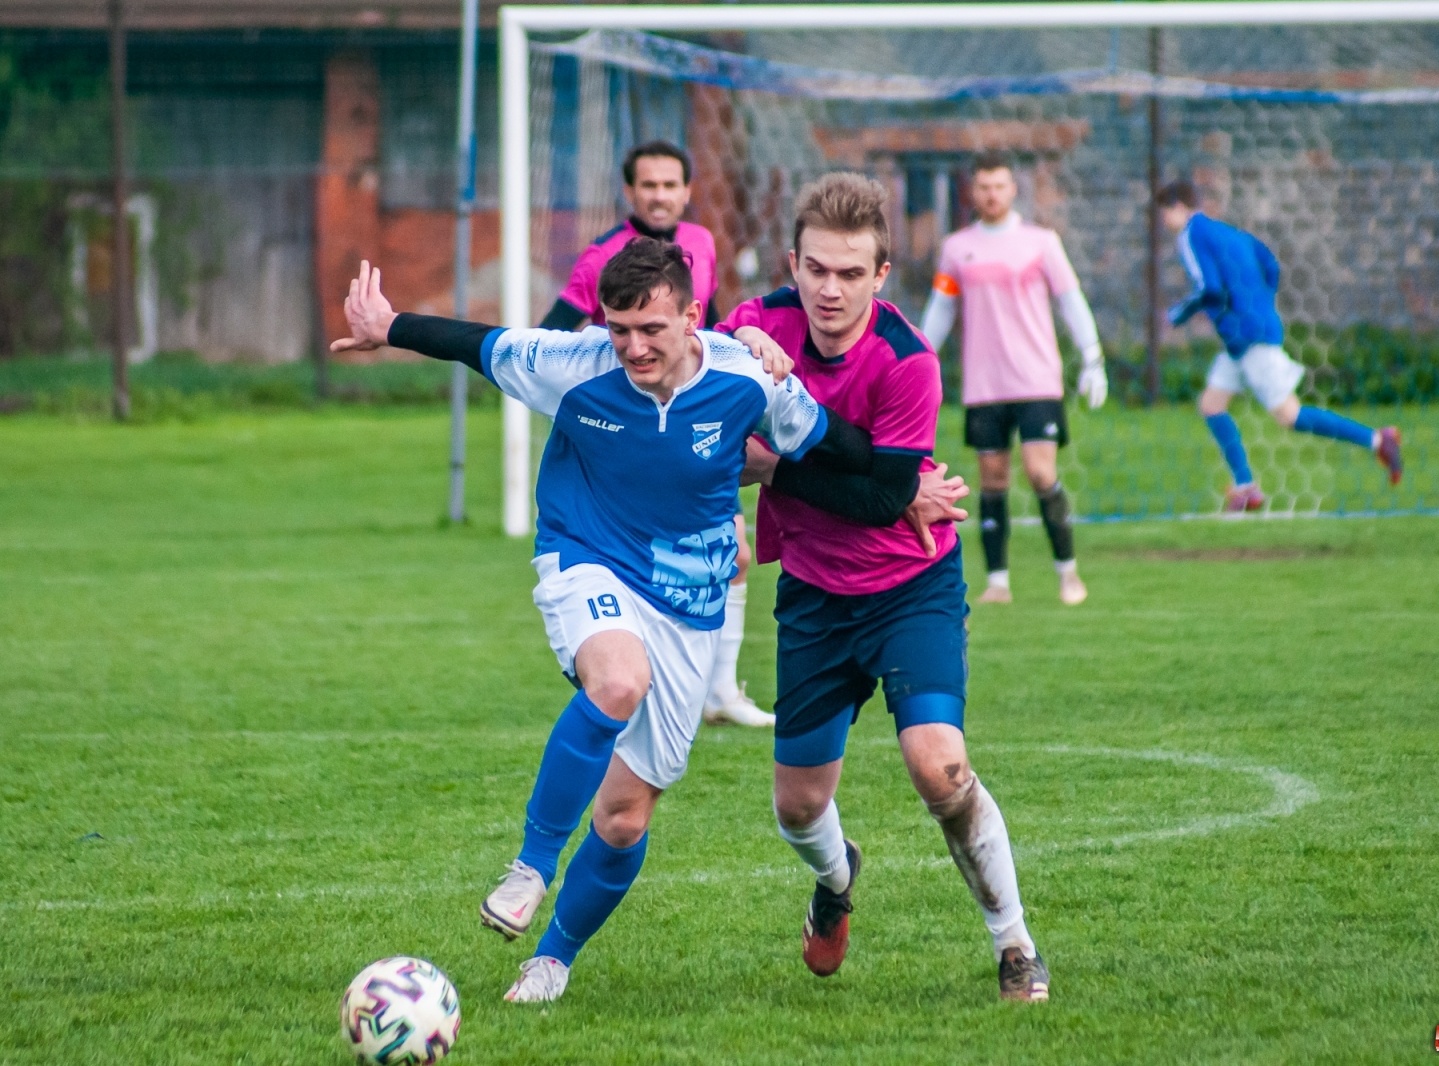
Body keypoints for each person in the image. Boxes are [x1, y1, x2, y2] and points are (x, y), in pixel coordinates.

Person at [331, 240, 963, 1004]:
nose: (632, 347)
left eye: (651, 329)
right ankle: (531, 865)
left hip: (689, 603)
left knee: (625, 818)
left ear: (692, 317)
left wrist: (904, 489)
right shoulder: (575, 364)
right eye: (619, 328)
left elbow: (836, 446)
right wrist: (390, 325)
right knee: (619, 681)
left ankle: (553, 960)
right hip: (587, 558)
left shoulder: (745, 376)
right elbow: (479, 343)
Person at [724, 172, 1051, 1002]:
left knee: (940, 768)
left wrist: (776, 466)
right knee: (799, 807)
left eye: (850, 273)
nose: (830, 290)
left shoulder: (908, 361)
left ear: (880, 274)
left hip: (911, 586)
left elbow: (881, 500)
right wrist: (742, 355)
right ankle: (836, 880)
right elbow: (705, 419)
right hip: (813, 594)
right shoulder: (754, 329)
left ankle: (1015, 945)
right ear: (793, 264)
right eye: (816, 270)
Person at [542, 139, 768, 727]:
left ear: (687, 191)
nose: (660, 195)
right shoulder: (601, 255)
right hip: (629, 431)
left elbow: (707, 325)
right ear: (630, 192)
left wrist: (742, 341)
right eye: (649, 185)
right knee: (654, 554)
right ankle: (623, 664)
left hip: (693, 418)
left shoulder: (701, 243)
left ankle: (719, 691)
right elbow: (552, 333)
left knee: (735, 554)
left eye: (670, 185)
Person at [920, 151, 1108, 606]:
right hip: (985, 384)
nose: (992, 194)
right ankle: (998, 583)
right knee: (992, 478)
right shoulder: (957, 248)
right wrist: (919, 359)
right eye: (984, 187)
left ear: (1013, 189)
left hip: (1036, 379)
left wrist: (1092, 357)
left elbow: (1070, 299)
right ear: (973, 191)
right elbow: (942, 307)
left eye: (999, 186)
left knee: (1042, 473)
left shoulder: (1041, 243)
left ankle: (1068, 573)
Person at [1156, 178, 1403, 510]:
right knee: (1212, 404)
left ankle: (1377, 440)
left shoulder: (1191, 235)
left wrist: (1176, 315)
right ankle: (1245, 487)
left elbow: (1209, 288)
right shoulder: (1230, 232)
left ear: (1178, 207)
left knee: (1290, 415)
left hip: (1247, 336)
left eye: (1164, 212)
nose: (1163, 221)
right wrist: (1258, 305)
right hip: (1245, 335)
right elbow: (1270, 264)